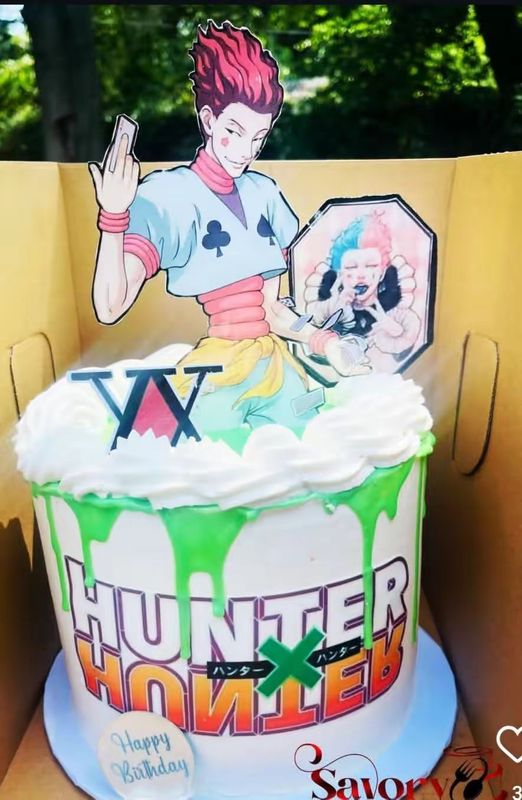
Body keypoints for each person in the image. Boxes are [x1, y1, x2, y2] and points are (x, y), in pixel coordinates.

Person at [89, 21, 366, 432]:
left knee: (312, 434)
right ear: (208, 119)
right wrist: (113, 218)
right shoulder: (167, 197)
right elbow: (109, 307)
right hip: (217, 370)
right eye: (234, 132)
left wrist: (327, 343)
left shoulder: (265, 194)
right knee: (209, 449)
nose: (244, 151)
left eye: (258, 138)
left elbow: (271, 310)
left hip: (276, 368)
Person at [304, 212, 421, 361]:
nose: (360, 275)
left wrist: (395, 330)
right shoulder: (323, 310)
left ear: (382, 272)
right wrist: (334, 312)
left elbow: (405, 361)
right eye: (351, 267)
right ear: (340, 273)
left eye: (371, 265)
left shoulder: (400, 315)